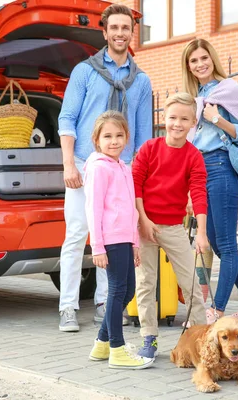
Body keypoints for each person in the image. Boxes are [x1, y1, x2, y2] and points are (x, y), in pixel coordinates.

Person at [57, 4, 152, 332]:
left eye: (126, 28)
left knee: (113, 237)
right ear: (105, 32)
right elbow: (67, 119)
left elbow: (142, 135)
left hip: (122, 168)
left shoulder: (141, 81)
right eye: (115, 28)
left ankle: (103, 301)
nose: (120, 33)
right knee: (77, 234)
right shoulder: (84, 71)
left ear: (131, 32)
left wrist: (137, 177)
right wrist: (69, 163)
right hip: (85, 164)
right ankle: (67, 306)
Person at [181, 38, 238, 325]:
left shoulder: (227, 89)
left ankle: (216, 310)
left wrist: (216, 119)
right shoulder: (195, 98)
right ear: (189, 67)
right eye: (194, 61)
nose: (200, 64)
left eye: (204, 58)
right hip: (201, 169)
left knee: (227, 246)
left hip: (222, 168)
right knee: (218, 244)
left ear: (212, 58)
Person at [131, 93, 209, 359]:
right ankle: (149, 338)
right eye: (173, 117)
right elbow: (135, 185)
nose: (177, 123)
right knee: (145, 283)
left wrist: (201, 233)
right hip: (144, 225)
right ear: (164, 119)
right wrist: (143, 220)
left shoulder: (194, 156)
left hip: (174, 227)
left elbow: (198, 193)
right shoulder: (149, 148)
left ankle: (201, 340)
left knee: (191, 285)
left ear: (193, 123)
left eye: (184, 119)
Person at [85, 111, 154, 369]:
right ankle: (117, 349)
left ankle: (102, 344)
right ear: (97, 140)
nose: (114, 141)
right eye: (107, 136)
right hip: (110, 239)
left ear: (126, 138)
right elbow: (94, 209)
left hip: (125, 239)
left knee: (128, 290)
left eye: (119, 135)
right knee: (116, 291)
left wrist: (135, 242)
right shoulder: (99, 168)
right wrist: (97, 246)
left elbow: (130, 209)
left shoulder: (123, 167)